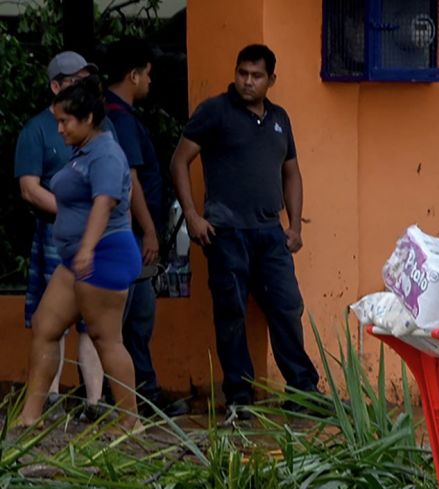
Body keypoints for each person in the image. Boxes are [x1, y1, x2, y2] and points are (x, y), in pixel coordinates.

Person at [170, 44, 319, 419]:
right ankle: (239, 398)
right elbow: (179, 161)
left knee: (287, 308)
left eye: (256, 76)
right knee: (231, 313)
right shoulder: (215, 112)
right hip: (225, 233)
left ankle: (303, 393)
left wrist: (295, 226)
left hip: (271, 233)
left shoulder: (279, 118)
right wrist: (192, 215)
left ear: (272, 79)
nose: (247, 81)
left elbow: (292, 172)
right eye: (242, 73)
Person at [16, 76, 142, 430]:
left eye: (64, 121)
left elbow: (105, 202)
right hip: (77, 259)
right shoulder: (81, 151)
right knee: (45, 325)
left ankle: (130, 421)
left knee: (106, 339)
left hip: (103, 256)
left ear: (88, 118)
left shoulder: (106, 153)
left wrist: (86, 249)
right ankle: (29, 416)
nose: (58, 129)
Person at [14, 51, 107, 417]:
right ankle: (50, 398)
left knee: (94, 317)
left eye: (87, 78)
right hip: (56, 233)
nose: (84, 85)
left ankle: (96, 402)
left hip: (98, 235)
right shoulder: (37, 129)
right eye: (75, 79)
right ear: (55, 86)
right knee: (53, 316)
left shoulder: (102, 127)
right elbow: (29, 188)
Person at [103, 37, 188, 418]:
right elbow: (132, 179)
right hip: (133, 234)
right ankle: (136, 395)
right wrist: (149, 231)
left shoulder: (117, 115)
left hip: (131, 231)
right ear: (133, 75)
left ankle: (141, 391)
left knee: (136, 317)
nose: (151, 82)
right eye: (148, 75)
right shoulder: (119, 118)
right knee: (134, 317)